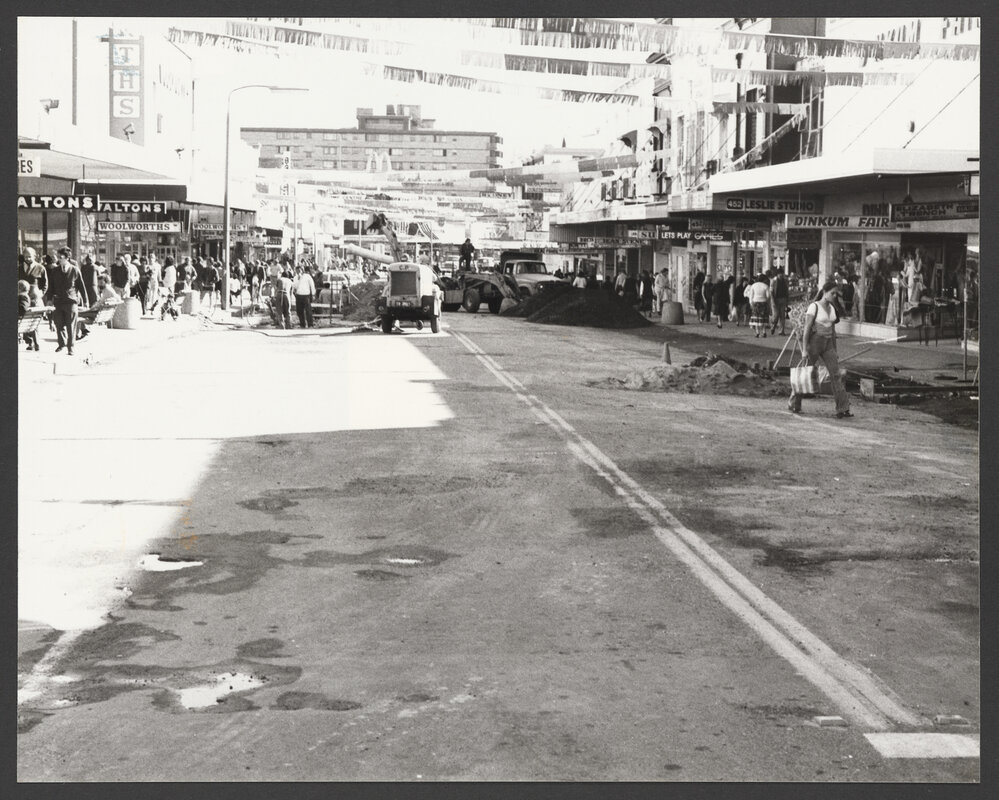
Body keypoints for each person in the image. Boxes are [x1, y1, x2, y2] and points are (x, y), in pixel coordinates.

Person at [788, 280, 853, 418]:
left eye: (836, 294)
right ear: (824, 292)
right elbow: (806, 330)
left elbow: (833, 332)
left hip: (828, 343)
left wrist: (835, 350)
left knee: (836, 375)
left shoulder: (833, 309)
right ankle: (794, 403)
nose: (834, 296)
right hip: (815, 342)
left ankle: (843, 408)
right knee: (805, 373)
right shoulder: (814, 307)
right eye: (832, 293)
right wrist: (805, 350)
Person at [44, 246, 87, 355]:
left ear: (67, 258)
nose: (58, 259)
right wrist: (49, 299)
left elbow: (81, 286)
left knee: (71, 325)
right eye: (58, 257)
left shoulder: (74, 270)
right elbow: (51, 286)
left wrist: (85, 301)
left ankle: (71, 347)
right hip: (58, 301)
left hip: (71, 301)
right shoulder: (55, 271)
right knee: (58, 323)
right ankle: (61, 344)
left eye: (61, 257)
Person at [77, 271, 122, 338]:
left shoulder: (107, 290)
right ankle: (85, 330)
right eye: (98, 282)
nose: (99, 284)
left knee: (77, 314)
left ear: (106, 282)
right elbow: (117, 298)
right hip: (100, 313)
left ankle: (78, 334)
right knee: (81, 309)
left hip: (96, 314)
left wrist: (92, 307)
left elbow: (100, 303)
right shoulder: (109, 289)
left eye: (101, 282)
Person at [770, 270, 789, 335]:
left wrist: (787, 301)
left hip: (783, 299)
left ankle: (781, 331)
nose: (781, 275)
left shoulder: (785, 281)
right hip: (776, 299)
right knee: (776, 315)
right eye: (779, 274)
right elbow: (771, 291)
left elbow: (787, 291)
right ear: (777, 275)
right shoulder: (773, 281)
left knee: (782, 316)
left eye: (782, 274)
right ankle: (773, 326)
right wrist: (773, 300)